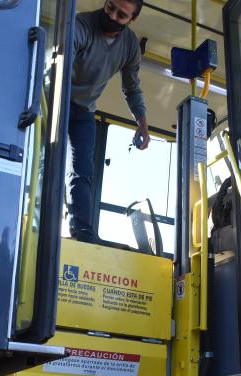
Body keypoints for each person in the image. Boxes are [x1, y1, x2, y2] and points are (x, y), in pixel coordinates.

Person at [68, 0, 150, 243]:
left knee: (82, 171)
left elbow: (132, 88)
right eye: (110, 7)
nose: (112, 15)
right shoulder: (81, 25)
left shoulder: (130, 46)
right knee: (45, 161)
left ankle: (83, 234)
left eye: (121, 14)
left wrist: (142, 123)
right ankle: (38, 224)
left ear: (131, 19)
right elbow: (63, 57)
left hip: (84, 111)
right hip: (56, 99)